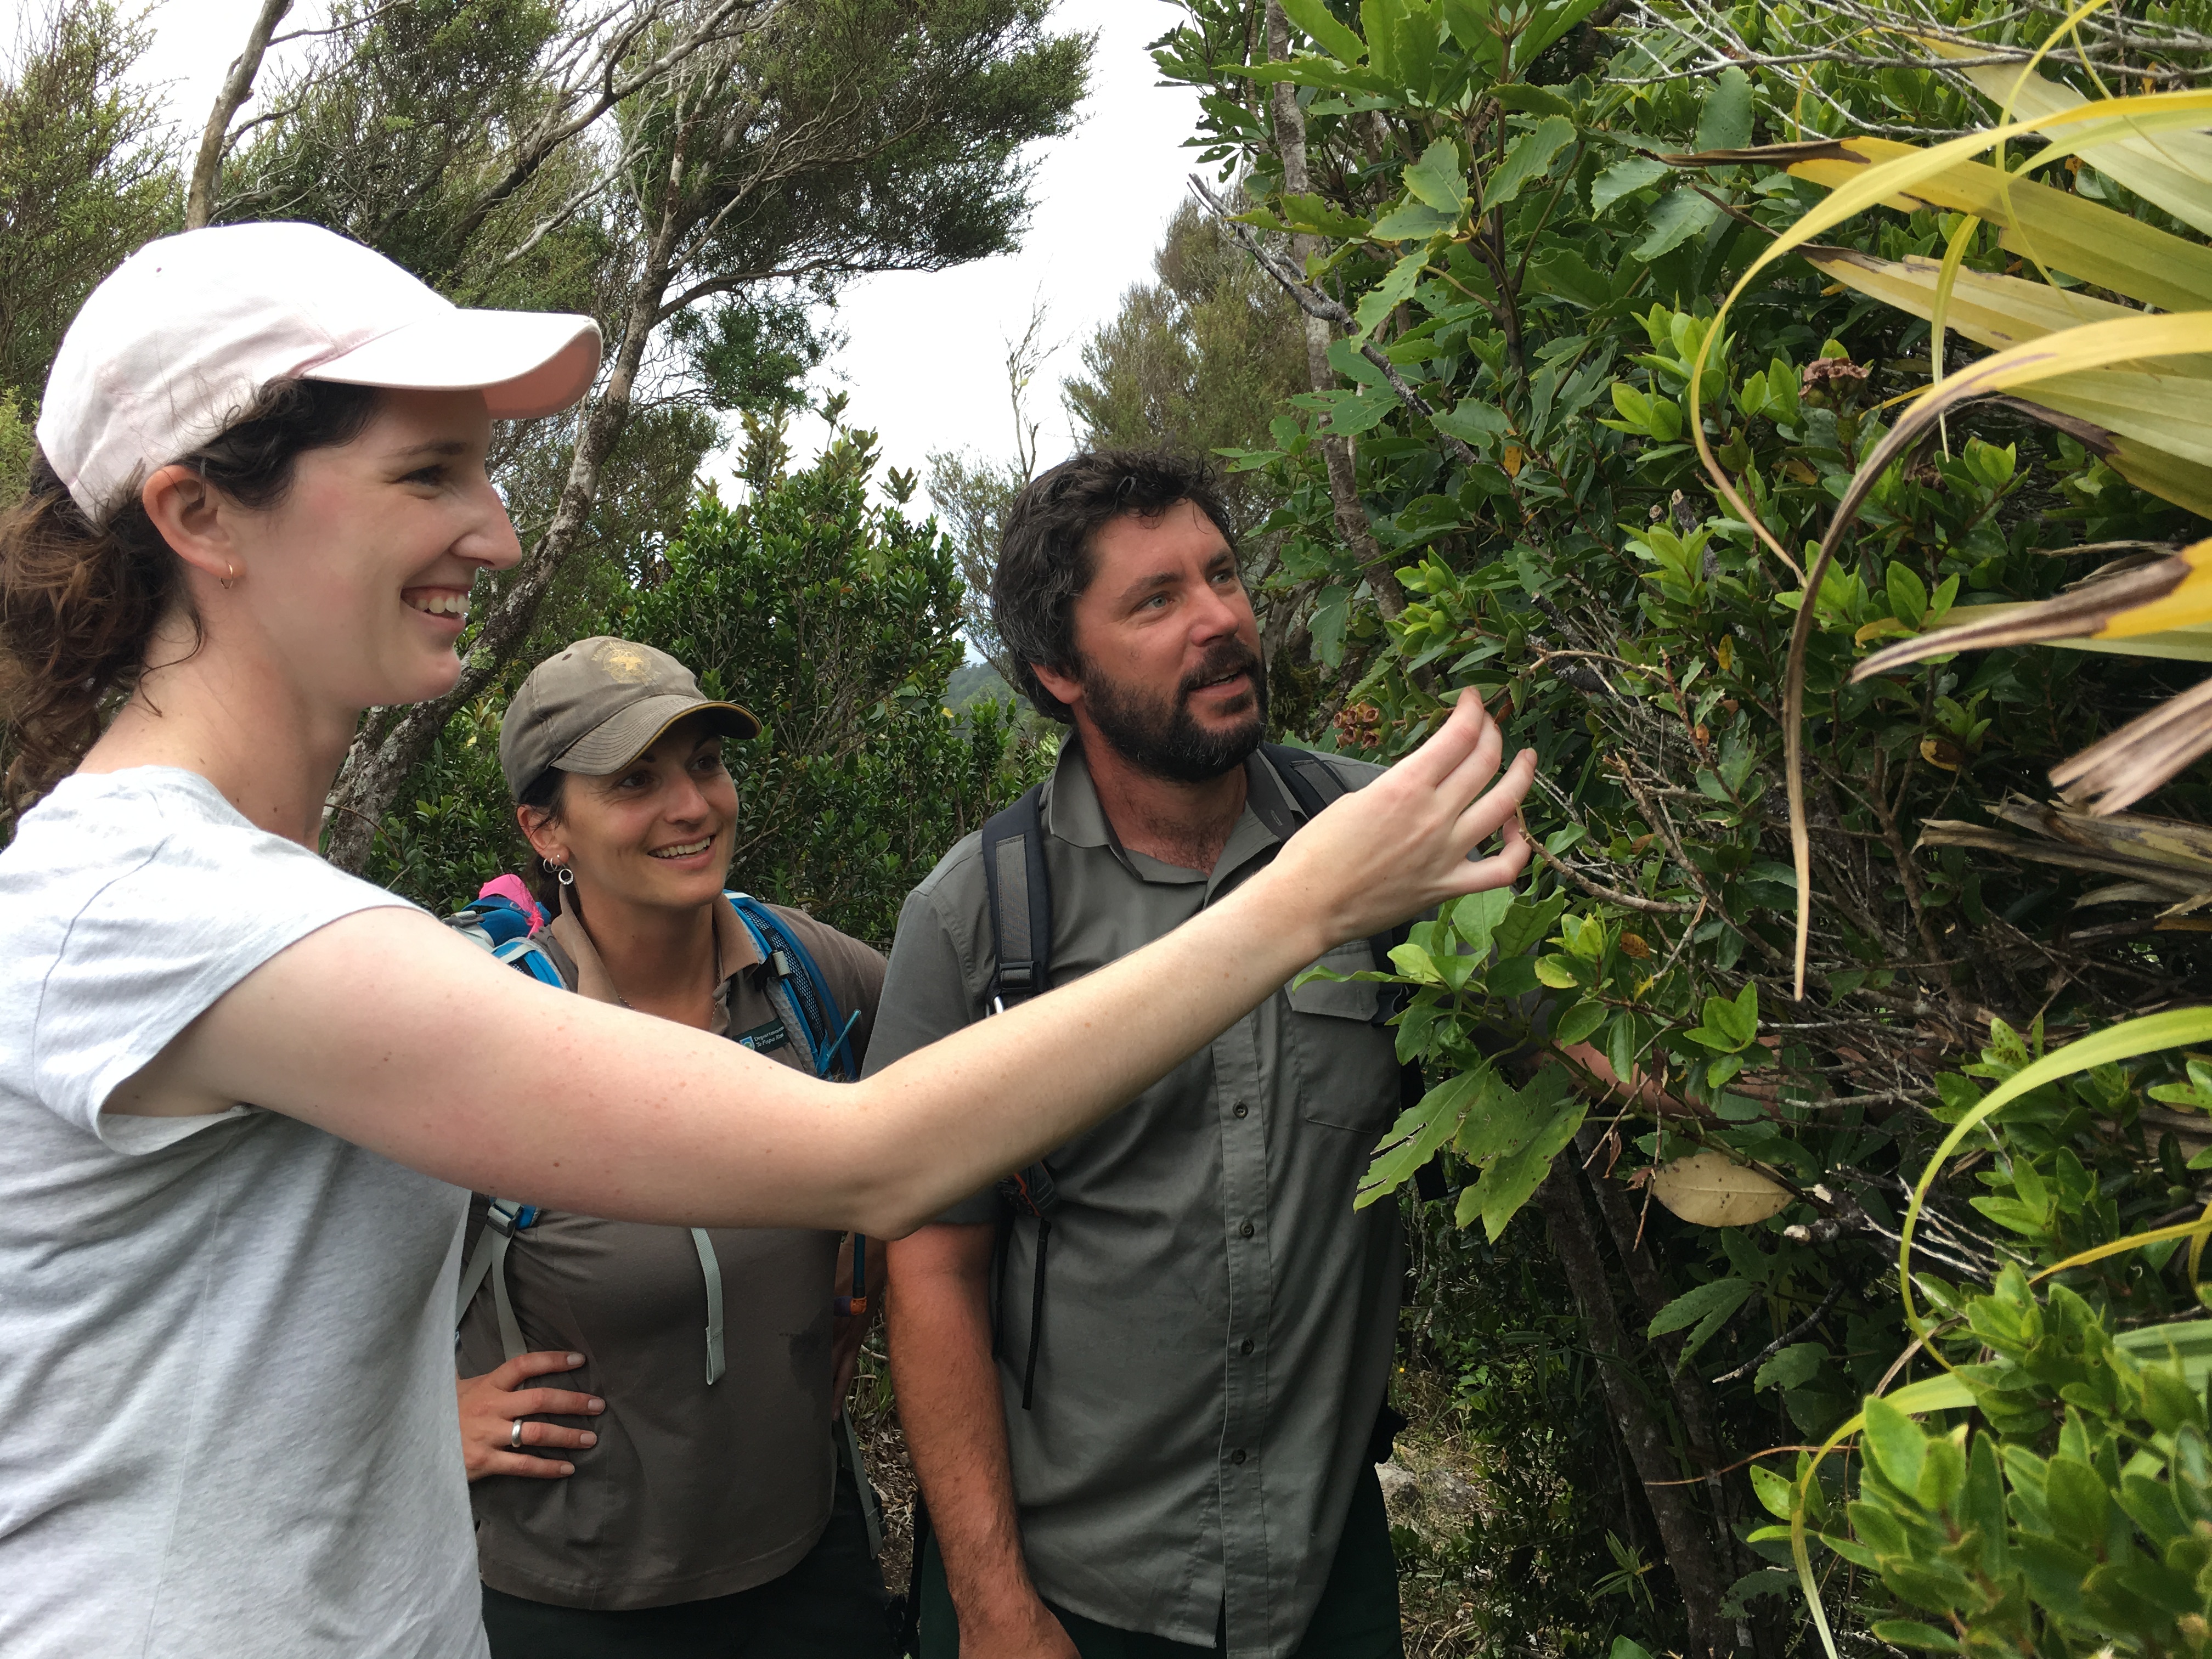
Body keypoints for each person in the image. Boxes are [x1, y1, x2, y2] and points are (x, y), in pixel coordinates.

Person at [0, 222, 1535, 1659]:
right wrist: (1310, 899)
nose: (499, 527)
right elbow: (873, 1158)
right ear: (200, 513)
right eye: (429, 476)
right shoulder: (163, 911)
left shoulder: (251, 901)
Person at [877, 452, 1441, 1659]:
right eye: (1156, 600)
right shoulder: (978, 920)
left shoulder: (1386, 845)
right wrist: (990, 1604)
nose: (1222, 621)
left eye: (1224, 576)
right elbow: (928, 1272)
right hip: (1076, 1591)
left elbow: (1589, 1028)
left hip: (1323, 1570)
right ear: (1056, 670)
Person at [451, 635, 898, 1656]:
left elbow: (962, 1102)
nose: (692, 806)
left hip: (807, 1564)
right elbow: (289, 1258)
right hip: (565, 1598)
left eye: (706, 763)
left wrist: (876, 1277)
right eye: (634, 781)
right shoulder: (487, 1027)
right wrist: (418, 1422)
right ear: (544, 826)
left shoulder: (799, 973)